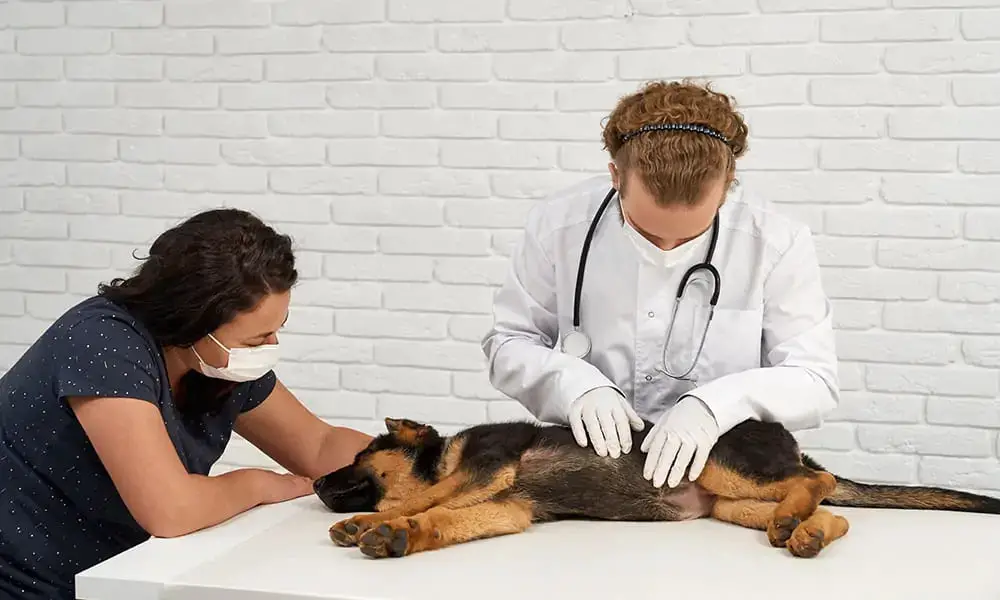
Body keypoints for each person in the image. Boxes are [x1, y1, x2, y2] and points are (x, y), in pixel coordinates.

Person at [482, 79, 839, 491]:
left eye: (689, 236)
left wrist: (717, 404)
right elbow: (509, 342)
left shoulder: (776, 241)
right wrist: (572, 384)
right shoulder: (557, 226)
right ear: (616, 176)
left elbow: (815, 379)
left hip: (722, 477)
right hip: (596, 477)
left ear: (728, 182)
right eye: (647, 232)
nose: (667, 249)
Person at [0, 209, 373, 600]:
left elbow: (318, 445)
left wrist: (425, 470)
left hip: (113, 576)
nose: (270, 348)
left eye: (276, 331)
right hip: (26, 582)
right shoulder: (101, 344)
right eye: (256, 339)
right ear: (193, 320)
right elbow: (171, 509)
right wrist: (258, 483)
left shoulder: (215, 362)